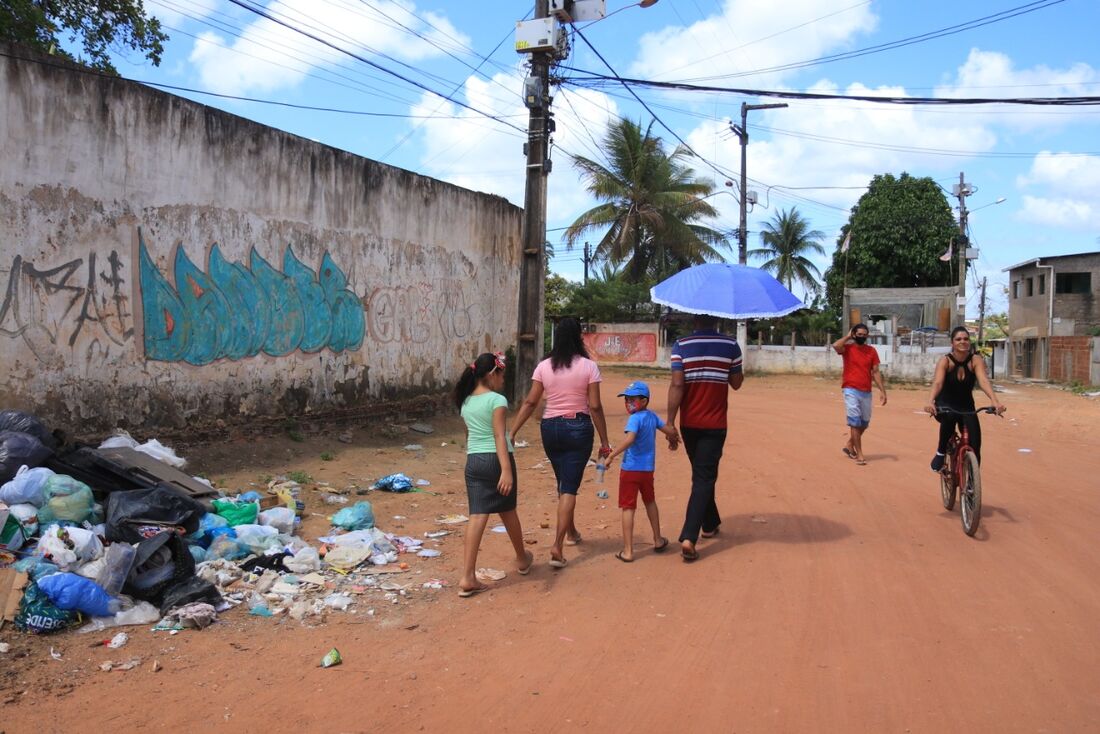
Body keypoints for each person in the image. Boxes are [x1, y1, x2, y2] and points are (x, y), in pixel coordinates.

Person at [511, 317, 611, 570]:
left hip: (550, 428)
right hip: (578, 427)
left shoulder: (544, 366)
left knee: (564, 482)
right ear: (579, 337)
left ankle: (571, 531)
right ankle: (557, 545)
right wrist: (605, 440)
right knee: (569, 487)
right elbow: (596, 406)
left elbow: (530, 402)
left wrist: (512, 432)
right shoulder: (589, 367)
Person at [454, 352, 534, 598]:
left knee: (477, 515)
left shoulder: (466, 401)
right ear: (492, 374)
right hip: (496, 461)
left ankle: (468, 575)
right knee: (507, 510)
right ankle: (522, 558)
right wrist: (506, 471)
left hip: (474, 461)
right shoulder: (497, 401)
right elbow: (500, 436)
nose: (503, 380)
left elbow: (470, 436)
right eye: (502, 375)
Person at [666, 314, 742, 563]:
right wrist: (732, 367)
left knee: (701, 474)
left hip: (689, 424)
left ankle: (710, 524)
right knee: (704, 476)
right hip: (716, 423)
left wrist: (669, 422)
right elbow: (736, 383)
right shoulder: (731, 345)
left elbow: (677, 385)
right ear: (717, 320)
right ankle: (689, 536)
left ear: (695, 320)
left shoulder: (681, 345)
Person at [603, 380, 679, 562]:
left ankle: (628, 551)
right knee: (650, 502)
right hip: (647, 470)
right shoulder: (652, 417)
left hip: (630, 470)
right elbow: (667, 429)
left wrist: (612, 455)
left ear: (644, 401)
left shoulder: (634, 419)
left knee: (628, 508)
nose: (628, 403)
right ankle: (658, 539)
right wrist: (674, 437)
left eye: (632, 399)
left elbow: (630, 439)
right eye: (626, 399)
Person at [924, 326, 1006, 469]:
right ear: (952, 343)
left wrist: (995, 401)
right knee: (949, 417)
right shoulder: (945, 361)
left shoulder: (975, 360)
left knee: (975, 444)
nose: (963, 342)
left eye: (966, 339)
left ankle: (971, 484)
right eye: (958, 339)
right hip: (945, 405)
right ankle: (941, 452)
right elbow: (937, 383)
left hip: (967, 407)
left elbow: (984, 381)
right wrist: (930, 401)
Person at [832, 323, 887, 466]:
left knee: (864, 423)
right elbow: (835, 346)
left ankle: (850, 444)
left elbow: (875, 372)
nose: (862, 337)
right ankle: (860, 454)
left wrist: (882, 390)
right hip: (850, 389)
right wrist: (848, 336)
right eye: (859, 334)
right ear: (854, 334)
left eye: (864, 335)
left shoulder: (871, 351)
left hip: (866, 391)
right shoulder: (848, 349)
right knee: (855, 422)